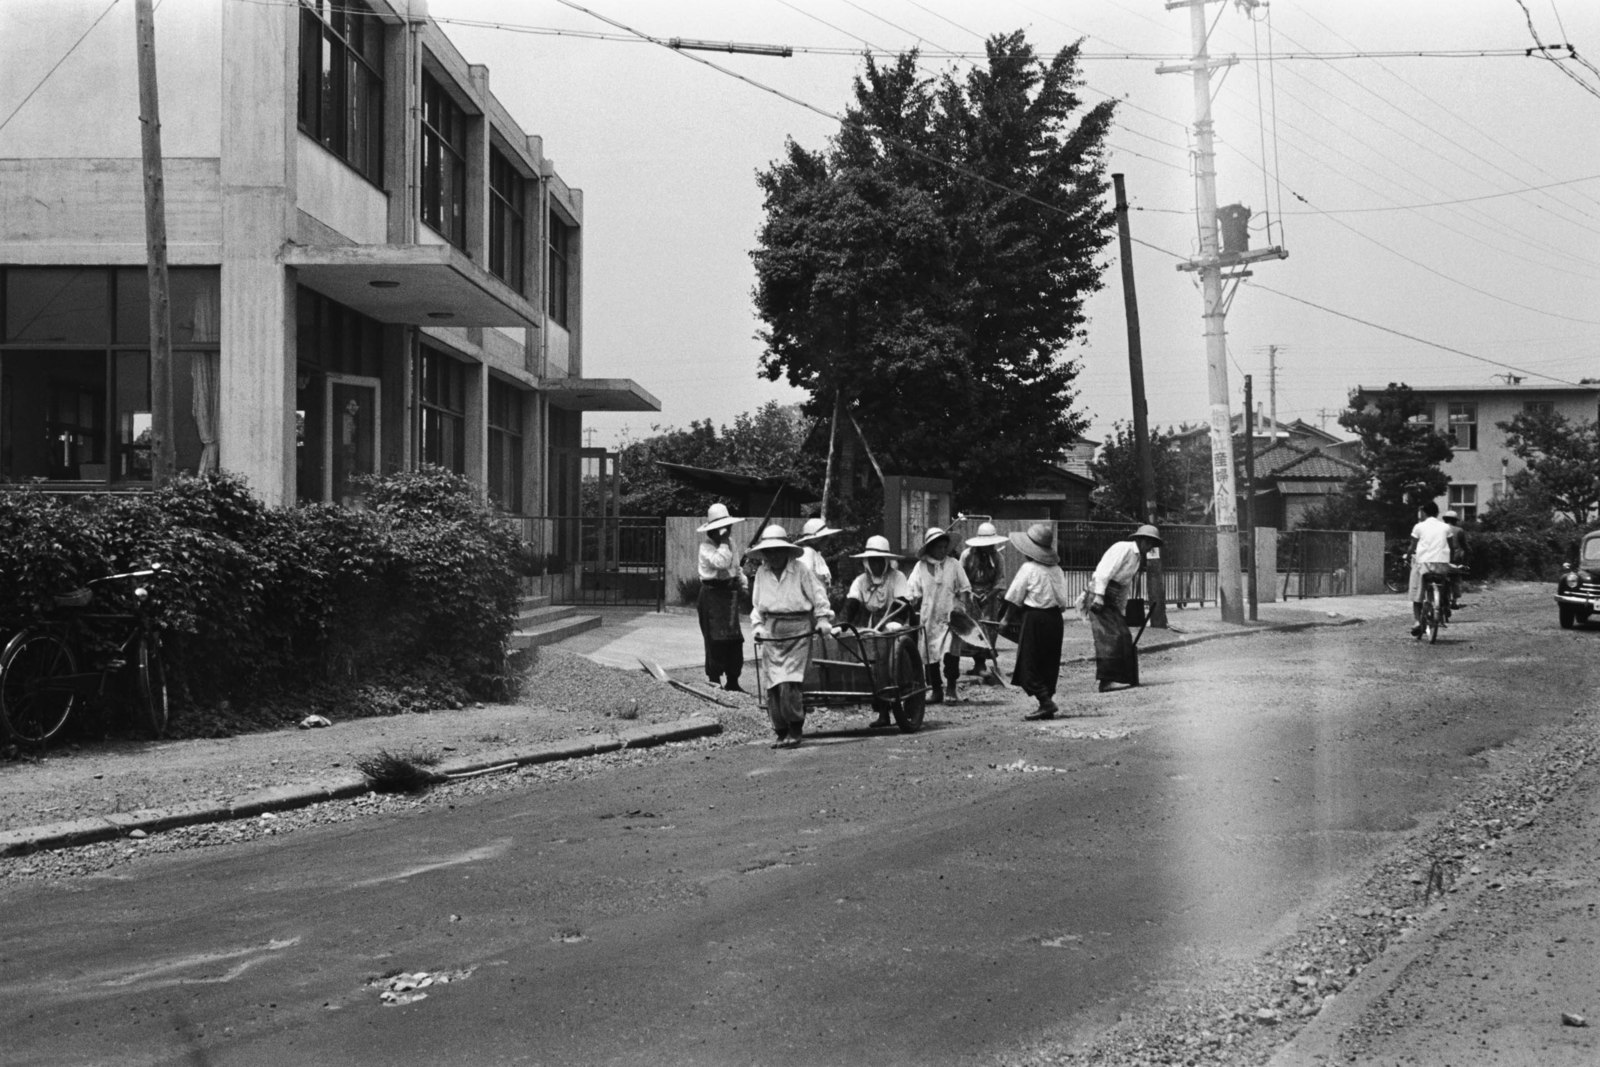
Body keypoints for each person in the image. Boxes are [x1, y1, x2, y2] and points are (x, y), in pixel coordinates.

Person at [749, 524, 834, 748]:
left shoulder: (800, 569)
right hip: (772, 629)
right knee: (773, 684)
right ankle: (780, 730)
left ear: (786, 551)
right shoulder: (762, 572)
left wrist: (823, 618)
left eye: (777, 550)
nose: (773, 555)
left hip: (798, 628)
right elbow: (757, 604)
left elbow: (818, 595)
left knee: (790, 681)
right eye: (769, 551)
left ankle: (795, 727)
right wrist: (757, 625)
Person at [1000, 522, 1073, 720]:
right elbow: (1063, 601)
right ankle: (1046, 701)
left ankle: (1045, 701)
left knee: (1028, 663)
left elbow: (1015, 596)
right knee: (1049, 662)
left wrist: (1006, 620)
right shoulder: (1057, 569)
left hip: (1035, 618)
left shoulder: (1028, 568)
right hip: (1055, 619)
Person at [842, 534, 914, 729]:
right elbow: (852, 603)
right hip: (874, 624)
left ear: (886, 561)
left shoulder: (897, 577)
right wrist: (842, 625)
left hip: (895, 623)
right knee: (872, 664)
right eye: (871, 560)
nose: (875, 564)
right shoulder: (860, 581)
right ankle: (882, 712)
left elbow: (903, 603)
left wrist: (894, 622)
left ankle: (906, 702)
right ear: (866, 561)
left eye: (879, 560)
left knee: (894, 664)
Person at [1082, 524, 1162, 693]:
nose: (1149, 548)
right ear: (1140, 540)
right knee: (1109, 637)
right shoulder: (1123, 549)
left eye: (1152, 545)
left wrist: (1122, 610)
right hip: (1099, 593)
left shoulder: (1138, 559)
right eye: (1148, 543)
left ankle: (1123, 677)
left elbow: (1125, 585)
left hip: (1112, 597)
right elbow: (1104, 572)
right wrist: (1099, 596)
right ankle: (1106, 680)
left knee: (1124, 635)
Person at [905, 526, 972, 704]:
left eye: (945, 547)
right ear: (930, 548)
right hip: (930, 617)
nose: (942, 550)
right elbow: (912, 592)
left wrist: (961, 606)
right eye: (939, 547)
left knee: (951, 652)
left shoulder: (954, 565)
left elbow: (964, 588)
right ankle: (935, 689)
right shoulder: (920, 567)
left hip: (951, 615)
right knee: (929, 654)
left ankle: (951, 687)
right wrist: (913, 602)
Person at [695, 503, 747, 692]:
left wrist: (742, 583)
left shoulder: (731, 543)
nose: (727, 532)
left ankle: (733, 680)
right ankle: (714, 679)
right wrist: (724, 542)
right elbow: (722, 562)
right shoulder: (706, 547)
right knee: (715, 639)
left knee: (734, 639)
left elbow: (735, 566)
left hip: (729, 594)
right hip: (711, 595)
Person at [958, 522, 1009, 684]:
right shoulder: (967, 555)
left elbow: (1000, 581)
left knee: (987, 629)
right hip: (970, 594)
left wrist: (989, 595)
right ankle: (976, 664)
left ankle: (982, 663)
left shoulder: (998, 557)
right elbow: (960, 578)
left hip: (990, 596)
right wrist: (970, 594)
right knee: (972, 629)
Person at [1409, 501, 1453, 637]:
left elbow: (1412, 546)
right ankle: (1443, 605)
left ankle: (1417, 621)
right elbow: (1451, 546)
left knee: (1416, 591)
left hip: (1424, 565)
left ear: (1424, 513)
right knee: (1443, 583)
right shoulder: (1446, 527)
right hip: (1441, 565)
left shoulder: (1419, 526)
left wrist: (1407, 555)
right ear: (1437, 513)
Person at [794, 516, 841, 604]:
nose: (827, 541)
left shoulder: (816, 554)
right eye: (825, 537)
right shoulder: (807, 553)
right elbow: (803, 581)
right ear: (817, 539)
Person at [1442, 509, 1467, 610]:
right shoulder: (1459, 530)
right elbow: (1465, 546)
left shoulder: (1440, 528)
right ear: (1455, 520)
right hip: (1454, 558)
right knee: (1456, 579)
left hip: (1441, 557)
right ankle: (1454, 601)